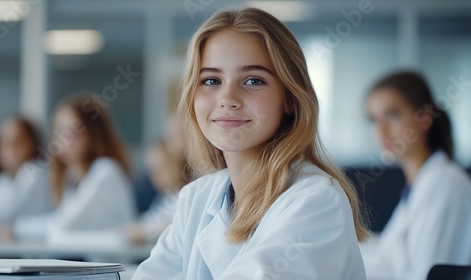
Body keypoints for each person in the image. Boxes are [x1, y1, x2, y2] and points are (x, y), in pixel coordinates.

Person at [132, 7, 368, 280]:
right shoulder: (197, 197)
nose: (228, 98)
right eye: (211, 80)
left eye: (253, 80)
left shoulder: (316, 200)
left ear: (290, 98)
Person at [363, 71, 471, 280]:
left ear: (424, 118)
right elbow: (388, 259)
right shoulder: (420, 185)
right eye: (373, 119)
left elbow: (424, 274)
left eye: (393, 115)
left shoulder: (444, 182)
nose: (381, 130)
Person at [13, 95, 135, 242]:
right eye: (58, 131)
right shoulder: (73, 177)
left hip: (114, 263)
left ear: (92, 133)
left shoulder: (105, 170)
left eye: (72, 131)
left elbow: (64, 223)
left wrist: (15, 229)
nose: (62, 139)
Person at [0, 117, 52, 226]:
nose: (11, 148)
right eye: (5, 142)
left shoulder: (35, 171)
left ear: (33, 143)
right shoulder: (3, 180)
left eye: (18, 141)